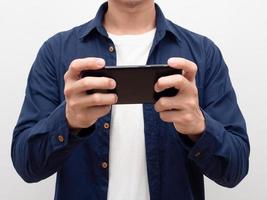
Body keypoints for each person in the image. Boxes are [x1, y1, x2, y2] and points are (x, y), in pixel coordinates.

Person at [11, 1, 250, 200]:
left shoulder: (203, 53)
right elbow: (26, 166)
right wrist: (68, 121)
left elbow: (234, 170)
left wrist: (199, 127)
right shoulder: (56, 52)